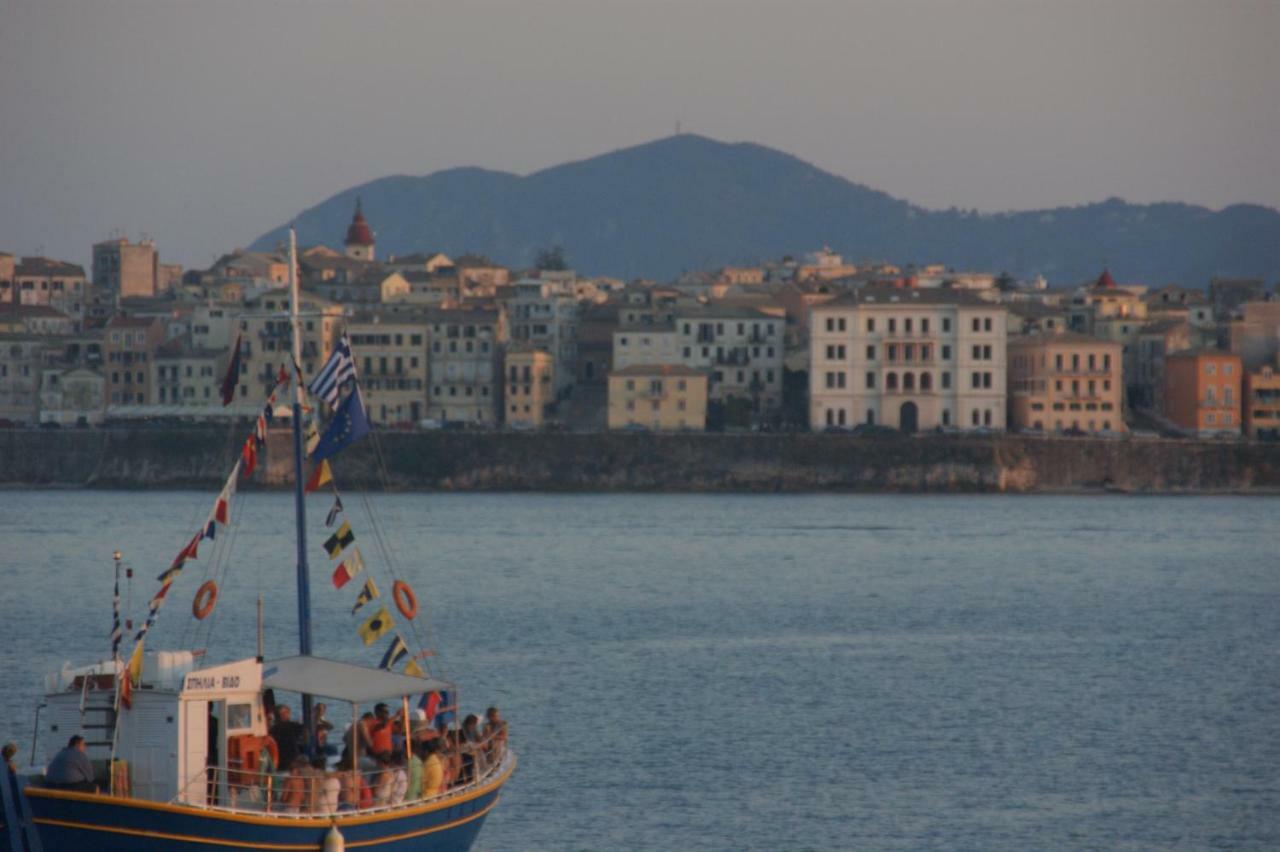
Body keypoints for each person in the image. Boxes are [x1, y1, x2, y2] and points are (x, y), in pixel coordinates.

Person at [269, 705, 306, 771]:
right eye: (284, 713)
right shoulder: (293, 726)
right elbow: (305, 732)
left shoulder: (272, 729)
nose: (287, 714)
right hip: (290, 761)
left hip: (279, 762)